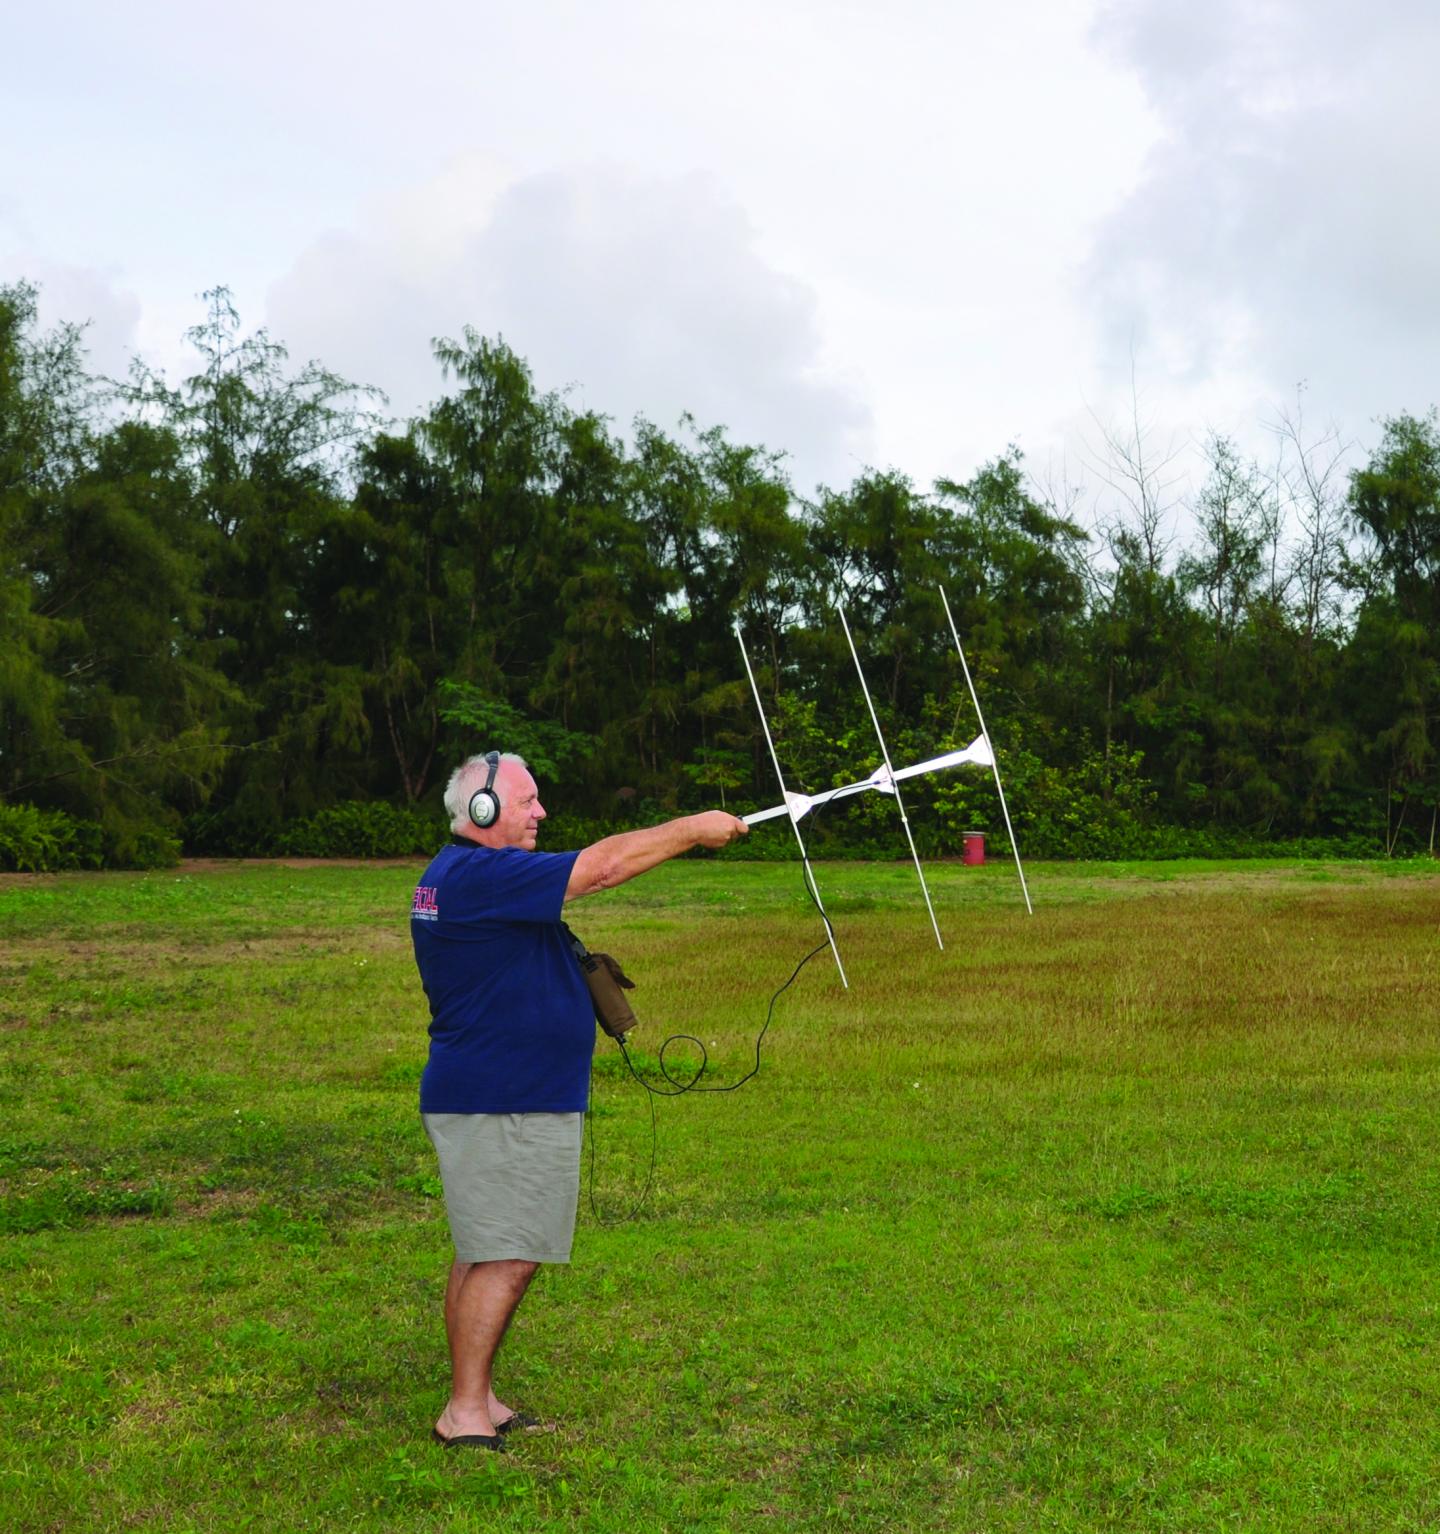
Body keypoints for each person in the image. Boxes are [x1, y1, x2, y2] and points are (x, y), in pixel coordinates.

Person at [410, 749, 748, 1449]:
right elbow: (602, 868)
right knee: (509, 1252)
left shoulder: (462, 875)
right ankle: (463, 1411)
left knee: (484, 1247)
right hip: (504, 1097)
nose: (541, 812)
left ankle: (477, 1395)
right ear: (482, 810)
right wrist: (693, 829)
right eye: (527, 801)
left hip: (494, 1090)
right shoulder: (482, 875)